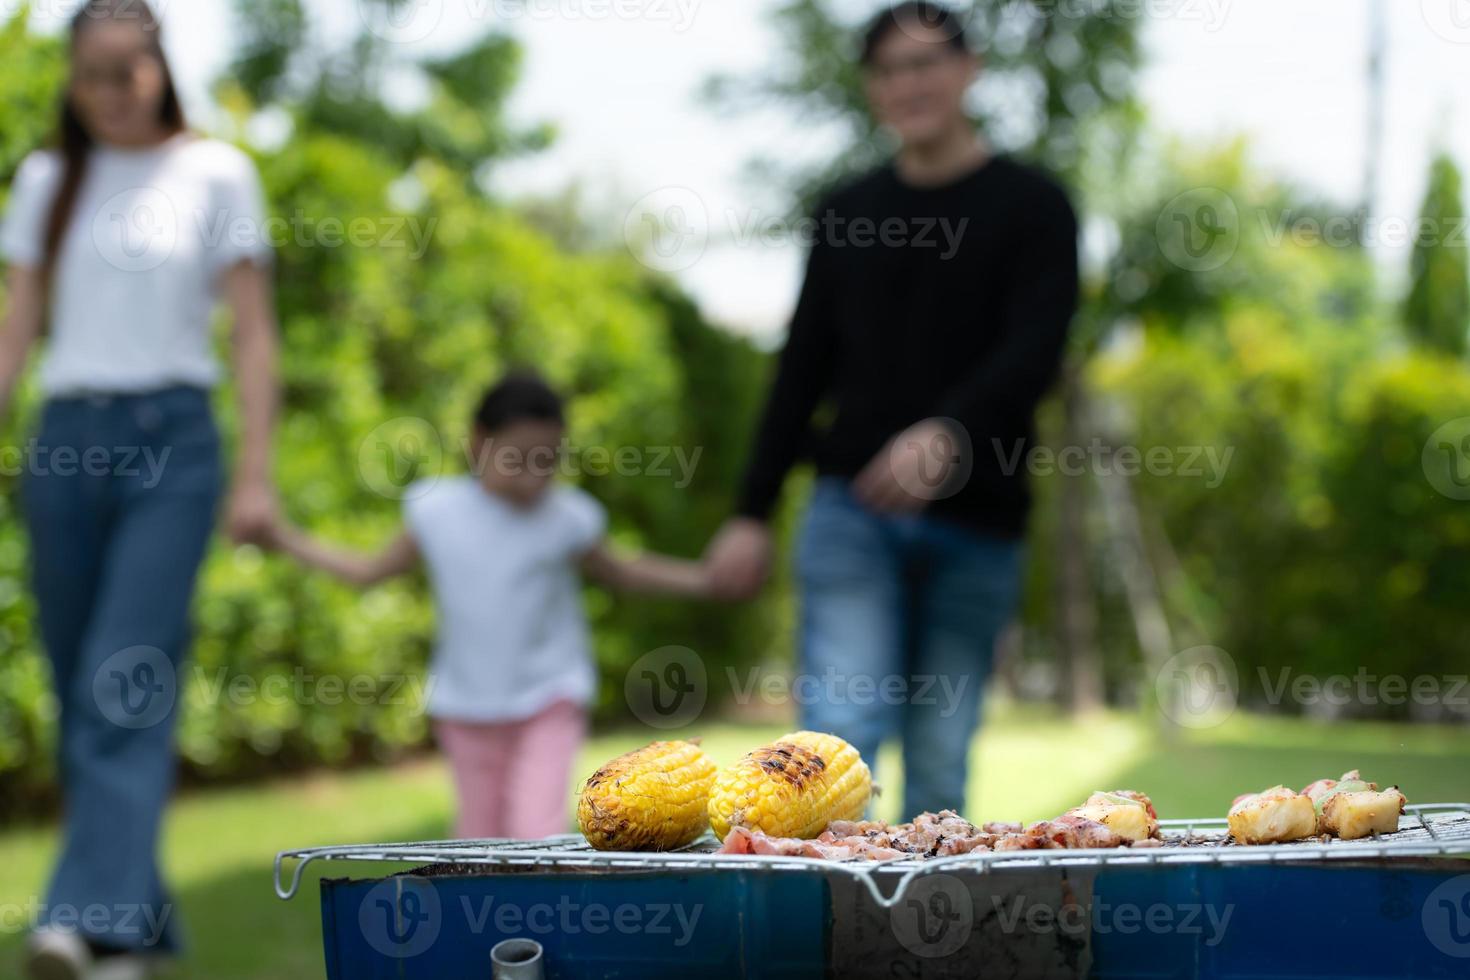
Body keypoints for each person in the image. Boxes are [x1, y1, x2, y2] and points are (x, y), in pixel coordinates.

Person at [704, 2, 1079, 818]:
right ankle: (829, 943)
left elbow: (1035, 350)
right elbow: (801, 366)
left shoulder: (1034, 205)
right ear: (873, 89)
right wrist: (751, 510)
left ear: (968, 68)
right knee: (832, 747)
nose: (909, 83)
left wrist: (952, 432)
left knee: (941, 763)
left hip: (979, 523)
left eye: (925, 63)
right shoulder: (846, 211)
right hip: (851, 514)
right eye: (889, 69)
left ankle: (930, 946)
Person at [0, 1, 280, 977]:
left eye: (129, 71)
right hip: (65, 436)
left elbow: (251, 331)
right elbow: (16, 323)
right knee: (84, 687)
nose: (112, 93)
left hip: (174, 444)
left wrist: (254, 473)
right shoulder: (48, 179)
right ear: (70, 83)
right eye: (91, 76)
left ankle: (82, 918)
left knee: (125, 673)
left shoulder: (217, 171)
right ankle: (136, 929)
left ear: (162, 67)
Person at [263, 372, 712, 841]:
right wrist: (283, 538)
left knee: (533, 834)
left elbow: (624, 571)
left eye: (548, 461)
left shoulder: (568, 516)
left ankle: (536, 913)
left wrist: (706, 580)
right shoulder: (435, 509)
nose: (534, 477)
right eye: (518, 459)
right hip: (466, 706)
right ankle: (485, 916)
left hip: (548, 697)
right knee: (477, 837)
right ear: (478, 443)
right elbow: (368, 570)